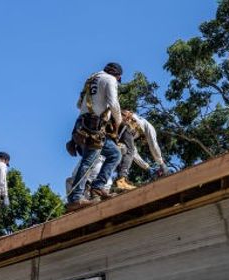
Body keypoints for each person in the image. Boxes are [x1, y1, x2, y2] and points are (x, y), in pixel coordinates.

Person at [67, 63, 125, 211]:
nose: (117, 81)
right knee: (89, 161)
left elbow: (78, 104)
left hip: (82, 125)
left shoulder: (91, 78)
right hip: (93, 126)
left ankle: (98, 187)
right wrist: (118, 122)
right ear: (117, 75)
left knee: (114, 154)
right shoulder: (110, 80)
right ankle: (76, 198)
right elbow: (113, 103)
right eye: (119, 78)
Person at [113, 110, 171, 191]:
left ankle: (121, 181)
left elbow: (134, 154)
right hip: (125, 126)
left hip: (119, 131)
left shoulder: (136, 133)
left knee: (122, 152)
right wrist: (161, 163)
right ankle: (121, 180)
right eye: (145, 141)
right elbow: (153, 145)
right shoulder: (148, 126)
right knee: (124, 152)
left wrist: (146, 167)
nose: (144, 142)